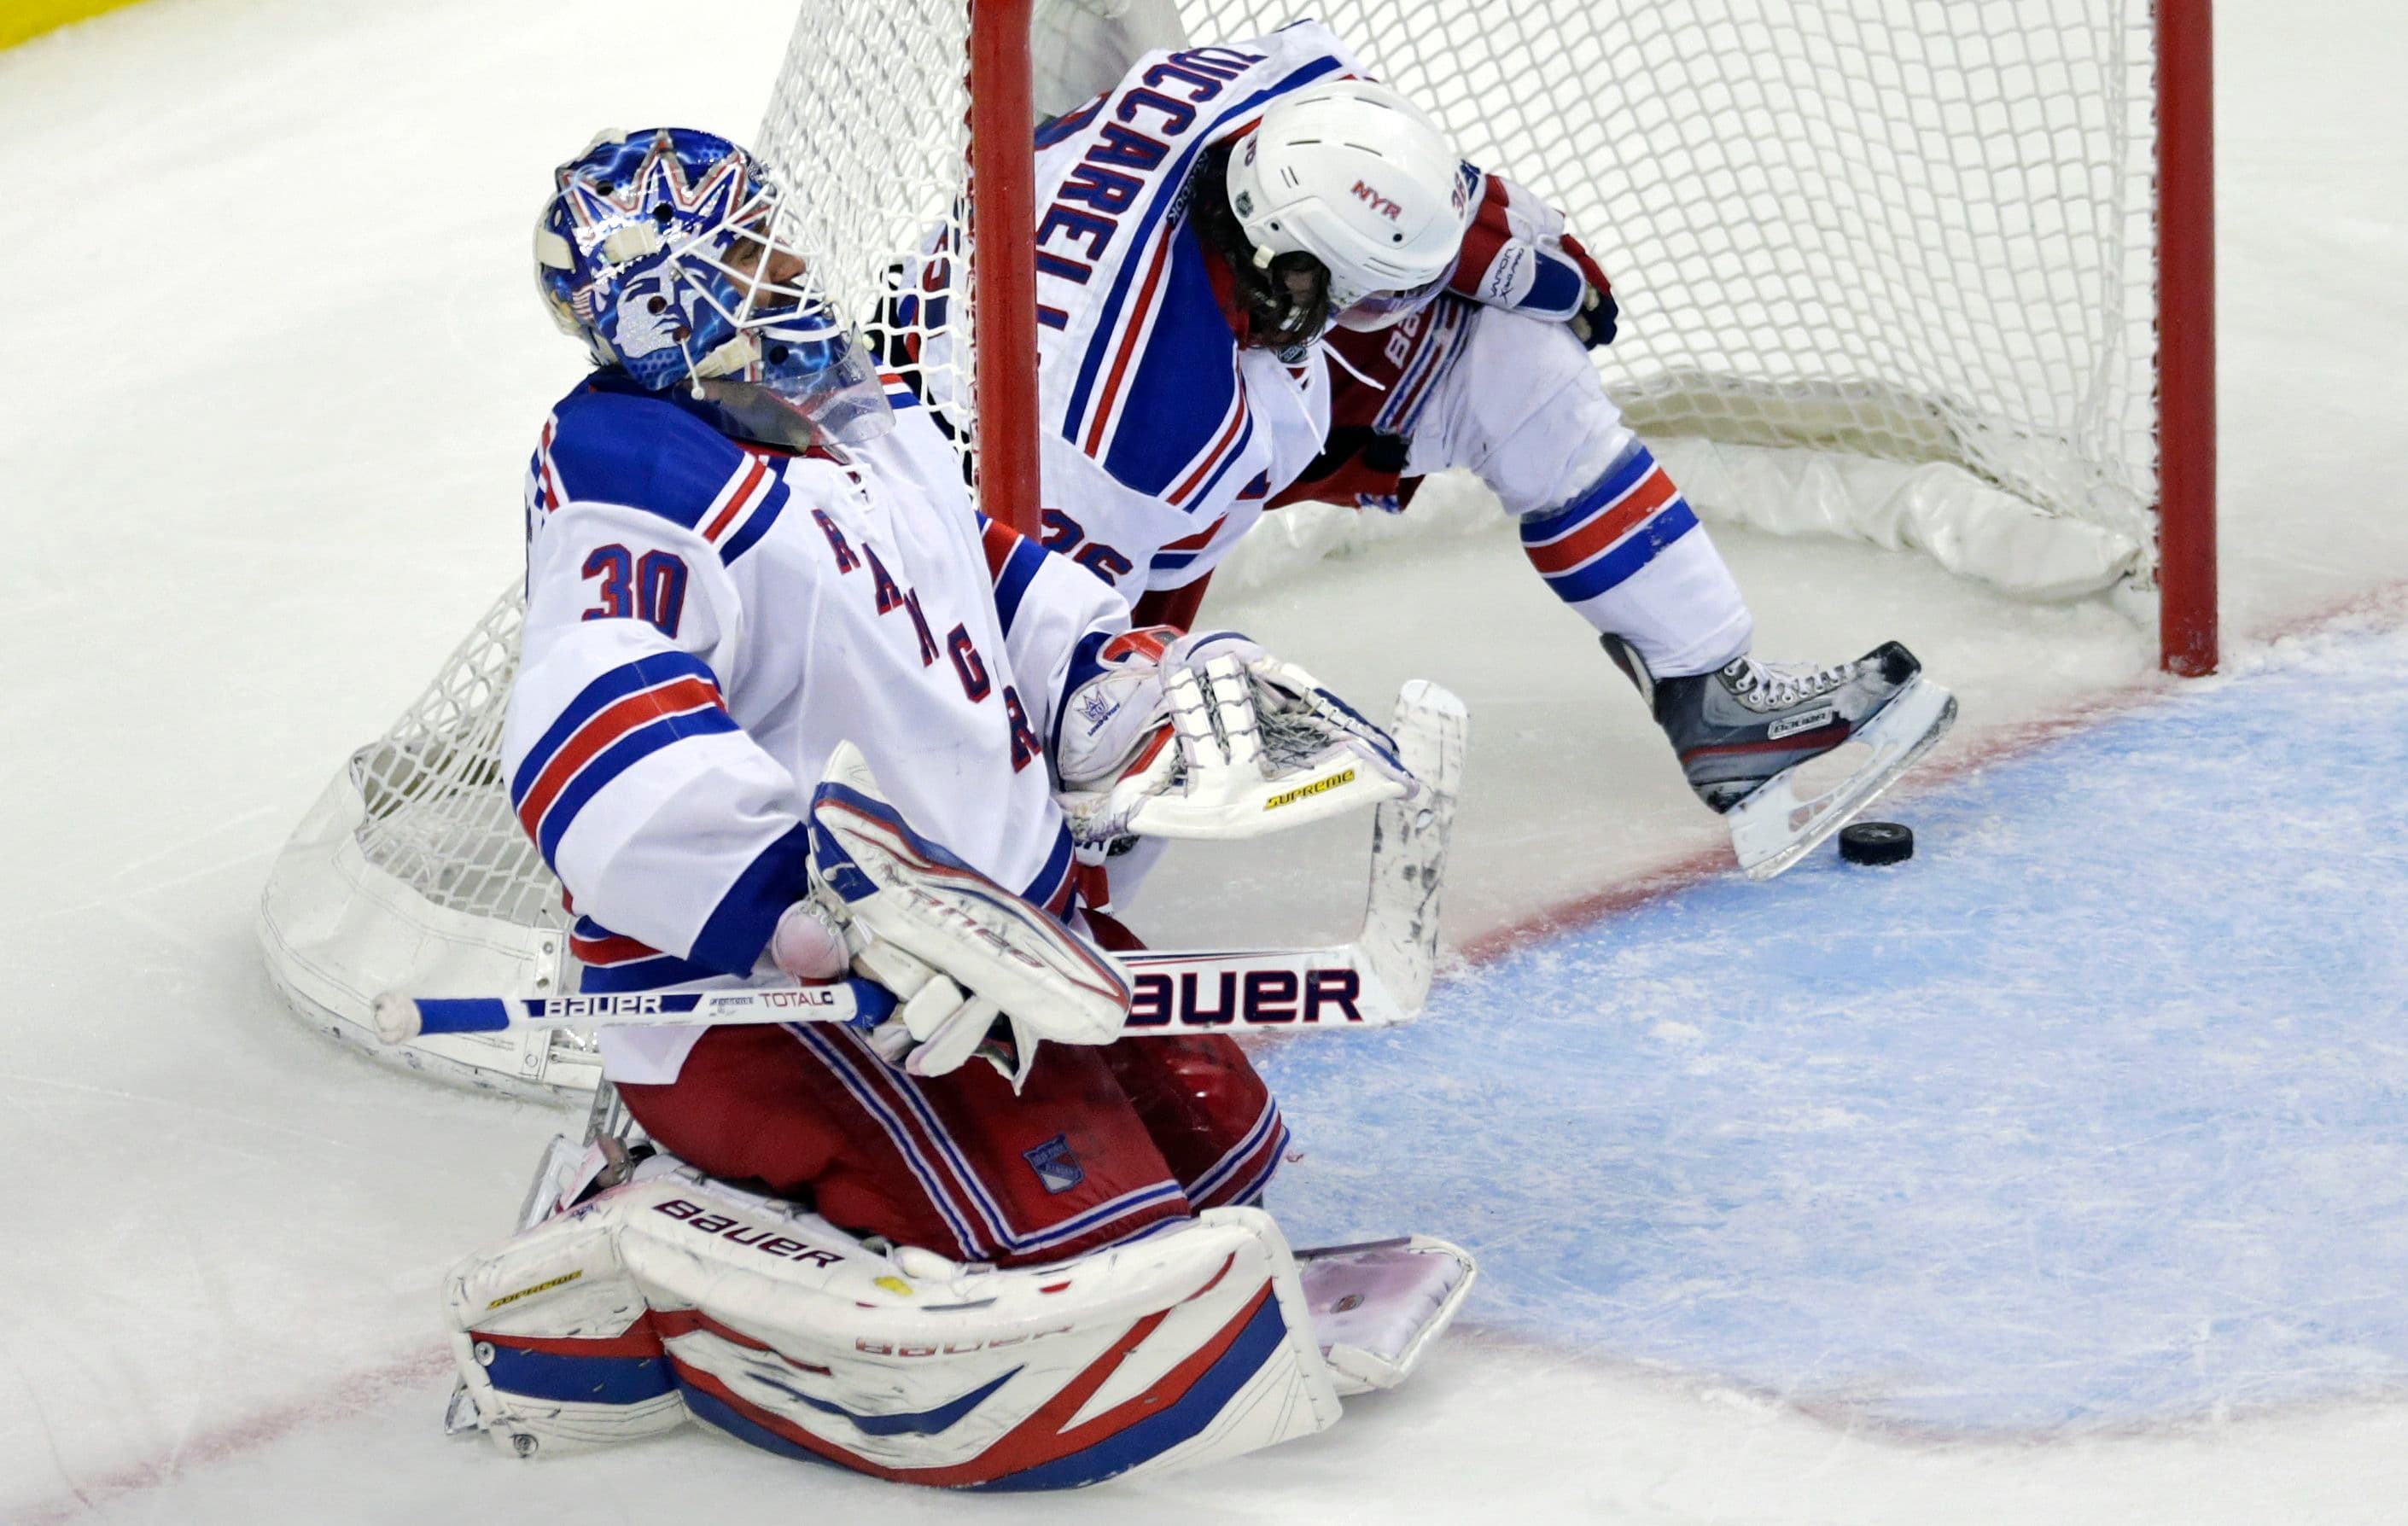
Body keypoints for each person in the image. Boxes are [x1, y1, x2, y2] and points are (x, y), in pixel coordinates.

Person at [440, 127, 1468, 1486]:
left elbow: (979, 574)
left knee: (1216, 1144)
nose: (790, 261)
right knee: (1067, 1227)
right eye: (747, 247)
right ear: (661, 298)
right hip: (787, 999)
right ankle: (655, 1238)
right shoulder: (629, 474)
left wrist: (1109, 674)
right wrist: (802, 911)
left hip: (996, 950)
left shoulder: (842, 412)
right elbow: (595, 718)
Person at [901, 19, 1953, 882]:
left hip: (1104, 327)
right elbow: (1054, 633)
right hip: (991, 486)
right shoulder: (1141, 433)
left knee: (1510, 360)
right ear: (1286, 263)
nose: (1387, 315)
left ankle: (1712, 694)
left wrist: (1497, 256)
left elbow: (1389, 157)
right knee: (1106, 755)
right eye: (1364, 294)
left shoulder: (1267, 101)